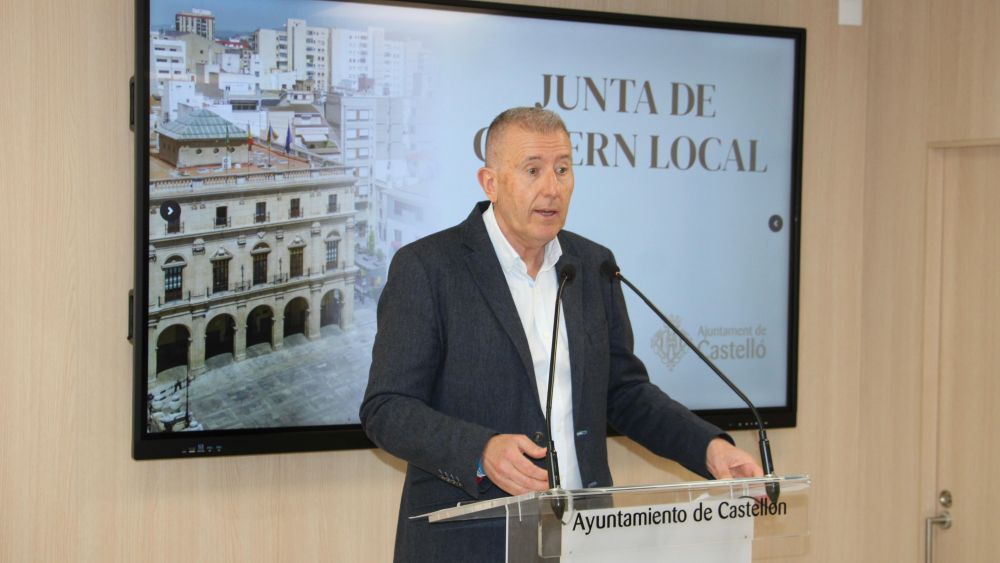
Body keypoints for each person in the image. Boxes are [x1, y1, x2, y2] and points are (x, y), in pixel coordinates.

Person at [360, 107, 762, 562]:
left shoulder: (592, 265)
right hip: (469, 544)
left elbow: (624, 393)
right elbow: (386, 408)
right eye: (533, 170)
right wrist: (480, 450)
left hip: (583, 540)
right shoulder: (429, 267)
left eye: (563, 169)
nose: (552, 187)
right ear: (490, 182)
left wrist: (708, 448)